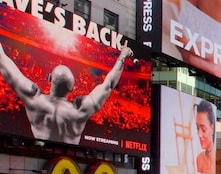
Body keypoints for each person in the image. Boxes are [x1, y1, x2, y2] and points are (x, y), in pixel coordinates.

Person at [0, 35, 134, 146]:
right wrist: (122, 56)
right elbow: (109, 84)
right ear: (72, 88)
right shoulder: (79, 110)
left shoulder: (35, 99)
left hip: (38, 151)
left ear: (49, 78)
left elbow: (3, 61)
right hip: (70, 158)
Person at [169, 100, 216, 174]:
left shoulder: (217, 160)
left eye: (203, 129)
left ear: (212, 127)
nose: (199, 134)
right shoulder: (199, 158)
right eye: (197, 128)